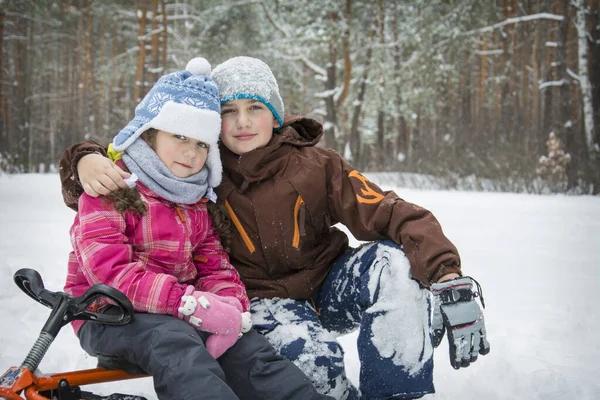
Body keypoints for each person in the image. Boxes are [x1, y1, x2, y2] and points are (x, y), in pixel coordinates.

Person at [60, 56, 490, 400]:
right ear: (215, 124)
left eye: (255, 109)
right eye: (229, 112)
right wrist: (85, 157)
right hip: (264, 303)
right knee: (313, 369)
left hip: (328, 285)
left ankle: (393, 394)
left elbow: (390, 212)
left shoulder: (316, 166)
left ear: (275, 115)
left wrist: (445, 271)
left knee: (393, 265)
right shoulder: (202, 178)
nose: (243, 122)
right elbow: (135, 154)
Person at [64, 57, 333, 400]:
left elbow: (215, 265)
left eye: (202, 144)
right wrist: (188, 304)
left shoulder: (195, 202)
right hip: (107, 315)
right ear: (151, 133)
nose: (191, 153)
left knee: (247, 349)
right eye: (180, 136)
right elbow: (110, 274)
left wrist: (229, 309)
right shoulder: (112, 188)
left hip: (179, 312)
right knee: (175, 339)